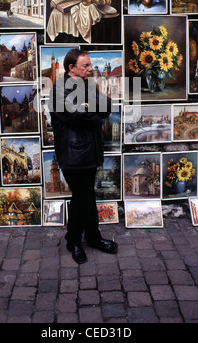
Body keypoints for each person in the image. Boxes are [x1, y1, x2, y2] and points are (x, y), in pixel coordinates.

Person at [49, 49, 118, 264]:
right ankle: (75, 240)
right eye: (85, 65)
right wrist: (93, 115)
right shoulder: (58, 89)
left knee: (86, 196)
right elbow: (75, 115)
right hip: (73, 153)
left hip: (90, 151)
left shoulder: (86, 86)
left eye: (89, 65)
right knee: (82, 196)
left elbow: (107, 106)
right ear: (71, 68)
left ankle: (89, 237)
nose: (90, 69)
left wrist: (89, 108)